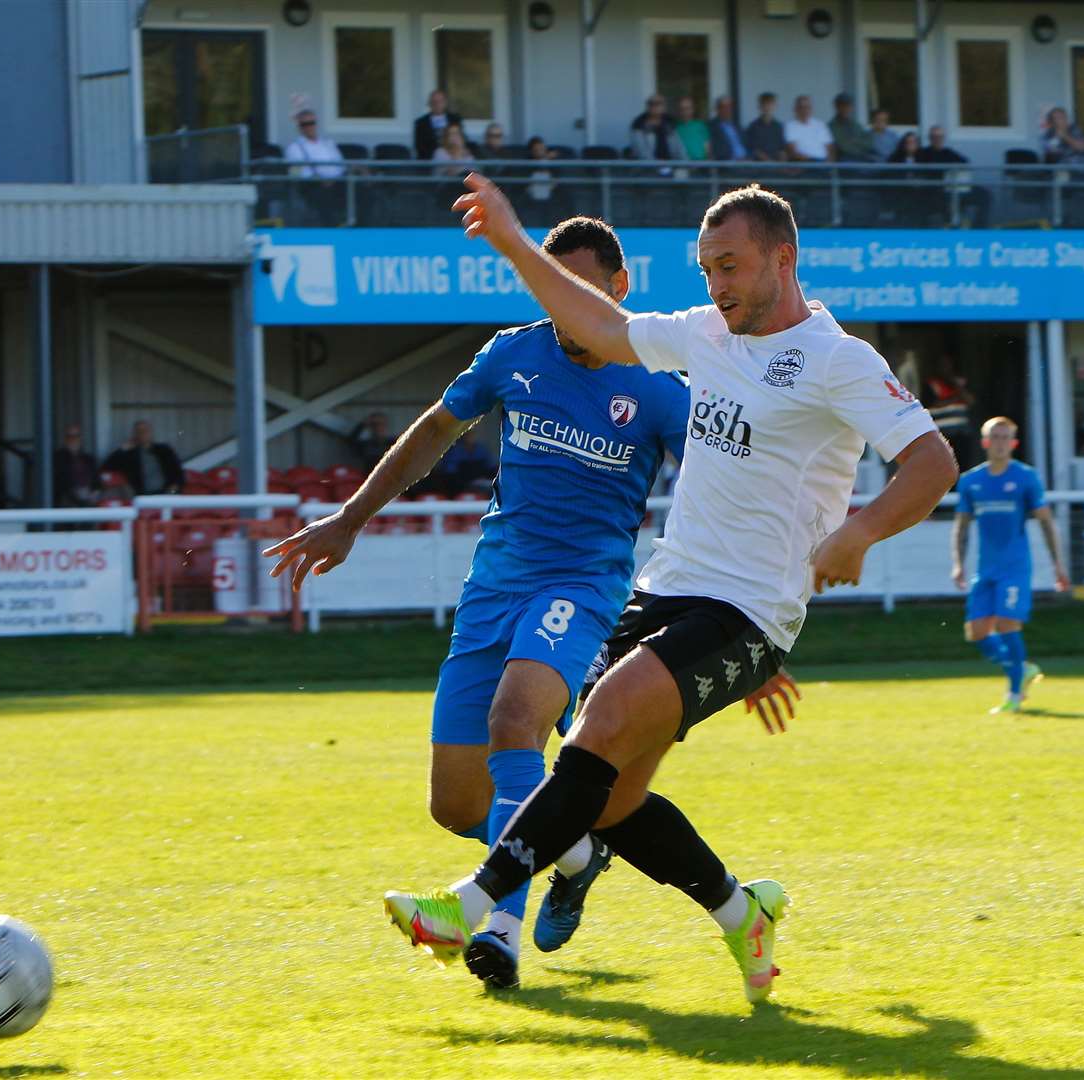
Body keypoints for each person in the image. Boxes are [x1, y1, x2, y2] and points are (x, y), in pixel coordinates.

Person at [383, 178, 956, 1004]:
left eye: (730, 266)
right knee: (612, 800)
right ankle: (740, 913)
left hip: (750, 611)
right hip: (667, 592)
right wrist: (511, 242)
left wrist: (858, 532)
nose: (716, 284)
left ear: (782, 259)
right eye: (705, 268)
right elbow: (600, 324)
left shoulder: (837, 360)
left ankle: (468, 906)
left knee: (596, 732)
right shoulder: (705, 335)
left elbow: (932, 462)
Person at [265, 218, 708, 991]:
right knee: (453, 801)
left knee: (515, 722)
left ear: (618, 290)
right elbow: (435, 428)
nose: (567, 308)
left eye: (583, 291)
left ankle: (496, 931)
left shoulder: (659, 388)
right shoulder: (512, 352)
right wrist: (350, 517)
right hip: (494, 586)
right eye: (553, 288)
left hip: (583, 586)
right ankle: (571, 850)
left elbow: (715, 494)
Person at [951, 417, 1070, 714]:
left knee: (1006, 624)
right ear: (985, 442)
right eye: (995, 436)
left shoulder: (1026, 478)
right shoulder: (971, 481)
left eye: (1006, 437)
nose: (1001, 442)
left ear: (1014, 443)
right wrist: (958, 564)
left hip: (1015, 568)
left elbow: (1045, 522)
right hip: (985, 568)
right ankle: (1023, 667)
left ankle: (1015, 695)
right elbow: (962, 526)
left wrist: (1058, 563)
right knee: (977, 631)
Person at [916, 125, 991, 227]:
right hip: (936, 192)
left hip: (956, 188)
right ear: (930, 138)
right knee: (948, 202)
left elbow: (965, 162)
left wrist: (953, 171)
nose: (938, 140)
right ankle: (953, 227)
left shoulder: (948, 152)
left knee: (985, 195)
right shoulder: (923, 153)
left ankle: (979, 227)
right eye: (935, 137)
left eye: (940, 137)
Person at [102, 420, 183, 496]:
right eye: (139, 431)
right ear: (135, 434)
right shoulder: (129, 454)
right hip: (141, 495)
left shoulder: (164, 450)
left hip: (166, 493)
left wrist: (173, 489)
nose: (143, 434)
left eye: (145, 431)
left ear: (151, 433)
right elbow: (106, 467)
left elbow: (178, 473)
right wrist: (122, 450)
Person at [923, 359, 974, 469]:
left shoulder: (959, 383)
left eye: (949, 366)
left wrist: (957, 387)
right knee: (945, 467)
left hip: (962, 434)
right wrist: (954, 398)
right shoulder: (931, 385)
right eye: (943, 366)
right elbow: (930, 404)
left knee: (963, 466)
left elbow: (970, 401)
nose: (946, 369)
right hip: (942, 435)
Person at [285, 110, 346, 179]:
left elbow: (341, 164)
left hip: (339, 181)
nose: (309, 127)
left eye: (311, 123)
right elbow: (295, 173)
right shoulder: (294, 148)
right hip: (313, 184)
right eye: (304, 124)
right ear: (299, 127)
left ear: (316, 124)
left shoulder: (328, 143)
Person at [52, 424, 99, 508]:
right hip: (69, 498)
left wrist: (95, 491)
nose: (73, 439)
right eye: (70, 436)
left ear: (80, 438)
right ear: (65, 439)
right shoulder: (58, 458)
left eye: (76, 436)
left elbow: (97, 479)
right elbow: (60, 481)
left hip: (89, 494)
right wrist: (76, 492)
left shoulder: (88, 459)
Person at [628, 96, 685, 162]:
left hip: (672, 165)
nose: (654, 106)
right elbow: (642, 152)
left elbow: (679, 148)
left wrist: (686, 165)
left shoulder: (670, 124)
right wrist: (657, 167)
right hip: (648, 168)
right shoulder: (638, 126)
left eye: (658, 103)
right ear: (647, 106)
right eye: (651, 103)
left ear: (664, 106)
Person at [414, 89, 466, 161]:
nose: (437, 104)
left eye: (440, 101)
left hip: (455, 156)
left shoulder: (455, 119)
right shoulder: (421, 123)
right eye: (434, 102)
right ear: (429, 104)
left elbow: (462, 138)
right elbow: (420, 147)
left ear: (445, 103)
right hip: (431, 160)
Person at [783, 94, 835, 162]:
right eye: (801, 107)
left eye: (807, 107)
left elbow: (829, 147)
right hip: (803, 164)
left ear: (811, 109)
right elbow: (792, 150)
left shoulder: (820, 125)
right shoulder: (789, 126)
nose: (805, 110)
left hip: (822, 163)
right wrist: (808, 160)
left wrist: (829, 164)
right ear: (795, 109)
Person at [745, 92, 788, 162]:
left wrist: (783, 162)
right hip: (760, 166)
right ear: (759, 106)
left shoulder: (779, 126)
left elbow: (782, 148)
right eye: (764, 104)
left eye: (770, 104)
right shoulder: (753, 127)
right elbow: (754, 150)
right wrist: (769, 161)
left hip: (778, 166)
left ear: (775, 106)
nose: (767, 107)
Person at [829, 93, 872, 162]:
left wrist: (855, 141)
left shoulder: (855, 124)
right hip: (844, 160)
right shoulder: (831, 126)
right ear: (837, 107)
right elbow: (843, 146)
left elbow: (869, 142)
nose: (845, 109)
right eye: (842, 106)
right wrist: (858, 144)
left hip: (862, 157)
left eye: (848, 106)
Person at [707, 95, 749, 162]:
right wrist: (735, 158)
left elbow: (747, 144)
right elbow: (716, 150)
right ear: (718, 109)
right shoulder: (712, 126)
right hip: (730, 163)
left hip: (746, 162)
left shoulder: (737, 125)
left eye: (729, 107)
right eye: (724, 107)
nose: (727, 109)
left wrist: (749, 158)